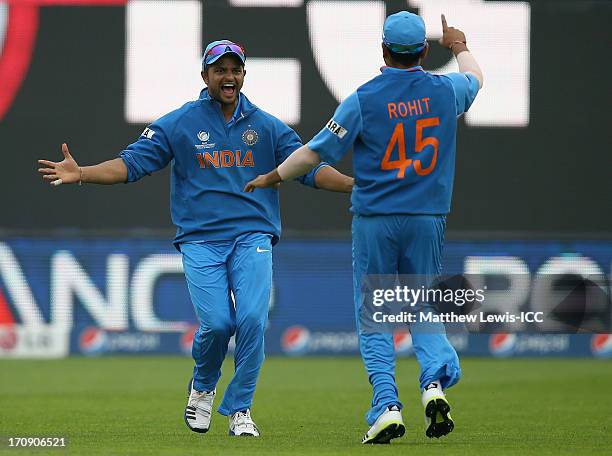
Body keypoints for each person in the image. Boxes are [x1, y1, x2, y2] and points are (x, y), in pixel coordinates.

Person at [38, 39, 353, 437]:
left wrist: (354, 187)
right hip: (201, 240)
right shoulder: (180, 123)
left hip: (252, 235)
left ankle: (240, 409)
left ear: (243, 75)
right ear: (205, 77)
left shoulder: (268, 126)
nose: (228, 77)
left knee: (254, 319)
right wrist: (81, 172)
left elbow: (308, 168)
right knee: (219, 323)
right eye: (220, 70)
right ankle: (202, 387)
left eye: (235, 69)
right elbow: (132, 164)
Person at [244, 12, 483, 444]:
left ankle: (388, 406)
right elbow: (476, 79)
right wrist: (460, 45)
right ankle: (432, 385)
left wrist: (272, 176)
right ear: (424, 52)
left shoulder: (363, 99)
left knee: (374, 315)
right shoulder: (445, 90)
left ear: (383, 50)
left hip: (375, 218)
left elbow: (313, 153)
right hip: (427, 218)